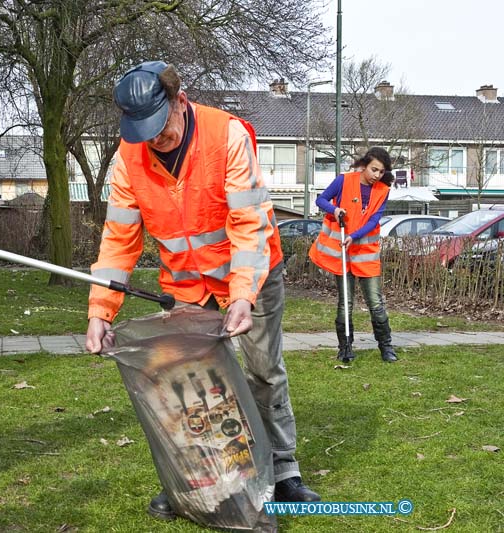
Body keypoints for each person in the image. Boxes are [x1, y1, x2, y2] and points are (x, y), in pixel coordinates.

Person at [85, 61, 320, 520]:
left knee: (261, 372)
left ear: (180, 100)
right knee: (193, 384)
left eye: (161, 126)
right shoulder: (127, 158)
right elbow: (118, 240)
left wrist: (241, 297)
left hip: (250, 272)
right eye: (143, 131)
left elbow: (249, 226)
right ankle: (201, 479)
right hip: (188, 285)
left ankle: (283, 472)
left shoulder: (227, 136)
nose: (156, 139)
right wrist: (100, 310)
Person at [308, 147, 398, 363]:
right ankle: (345, 347)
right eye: (374, 170)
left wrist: (355, 236)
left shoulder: (383, 190)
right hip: (342, 252)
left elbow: (374, 220)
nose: (377, 175)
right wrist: (335, 210)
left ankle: (386, 347)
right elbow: (320, 200)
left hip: (365, 253)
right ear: (364, 165)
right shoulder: (344, 180)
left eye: (381, 171)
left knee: (376, 303)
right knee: (344, 303)